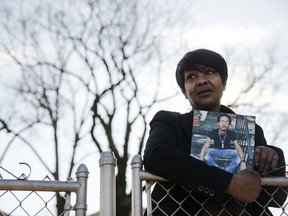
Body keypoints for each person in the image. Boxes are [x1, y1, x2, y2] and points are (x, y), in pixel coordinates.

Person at [143, 49, 287, 215]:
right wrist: (228, 183)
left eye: (209, 72)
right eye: (191, 77)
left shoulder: (249, 130)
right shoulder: (169, 122)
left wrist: (271, 158)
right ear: (184, 91)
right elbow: (157, 156)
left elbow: (276, 199)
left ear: (224, 83)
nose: (201, 81)